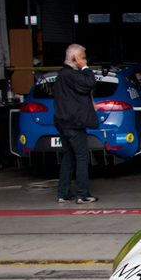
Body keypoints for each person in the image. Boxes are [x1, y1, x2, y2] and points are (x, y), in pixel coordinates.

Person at [54, 44, 98, 204]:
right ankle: (82, 194)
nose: (85, 60)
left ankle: (63, 193)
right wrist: (84, 67)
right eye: (83, 57)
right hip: (73, 124)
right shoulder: (72, 75)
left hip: (62, 123)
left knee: (68, 156)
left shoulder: (62, 76)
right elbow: (89, 83)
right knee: (81, 157)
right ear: (76, 59)